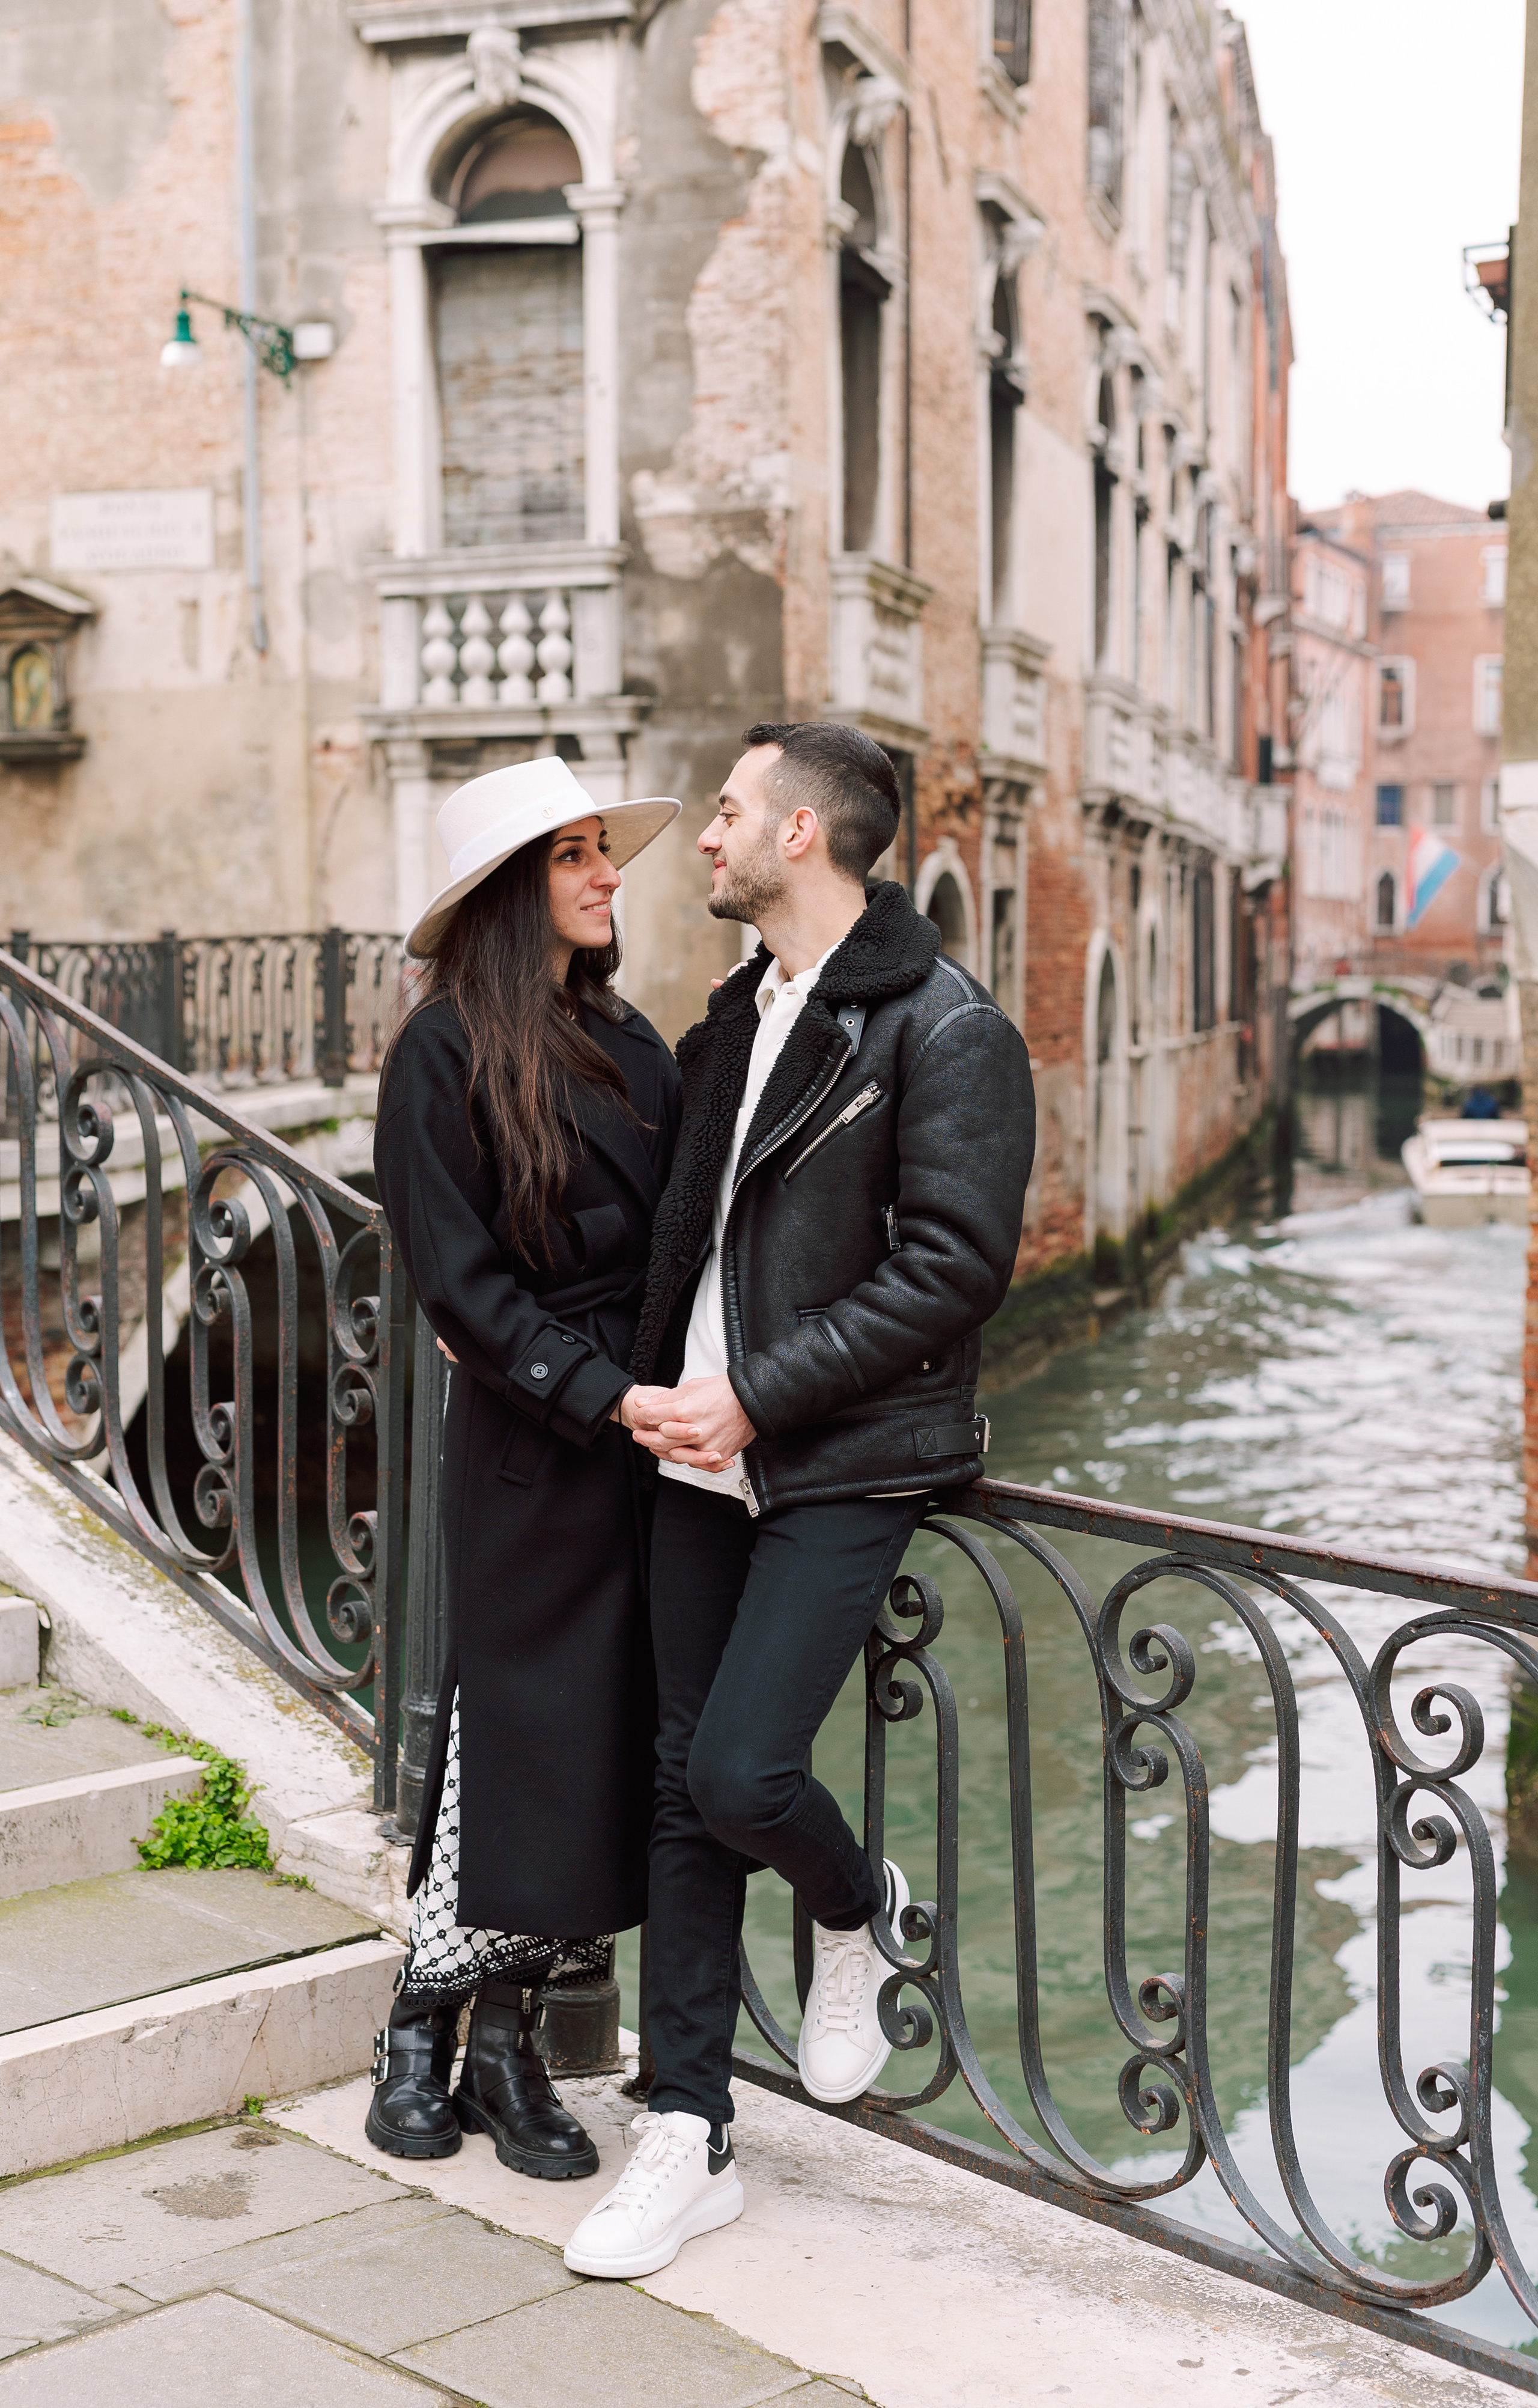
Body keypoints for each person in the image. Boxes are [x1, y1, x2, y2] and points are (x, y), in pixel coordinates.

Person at [563, 722, 1035, 2279]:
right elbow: (686, 1247)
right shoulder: (731, 1022)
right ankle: (684, 2133)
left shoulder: (944, 1029)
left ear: (807, 837)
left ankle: (858, 1902)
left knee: (746, 1776)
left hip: (841, 1457)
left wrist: (763, 1393)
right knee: (680, 1791)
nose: (706, 836)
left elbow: (955, 1268)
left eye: (730, 810)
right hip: (696, 1461)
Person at [368, 754, 682, 2181]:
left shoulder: (641, 1046)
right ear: (512, 891)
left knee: (594, 1754)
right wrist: (602, 1396)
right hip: (533, 1433)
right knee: (507, 1746)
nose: (608, 869)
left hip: (644, 1441)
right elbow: (459, 1284)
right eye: (572, 855)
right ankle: (418, 2032)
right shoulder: (437, 1056)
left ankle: (503, 2044)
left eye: (600, 849)